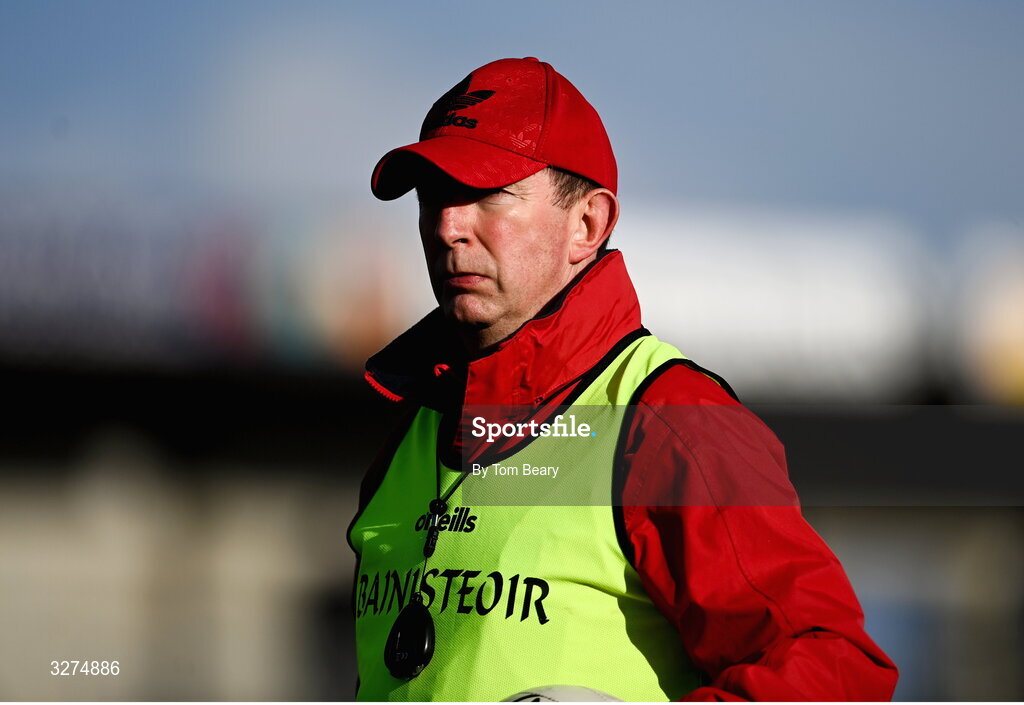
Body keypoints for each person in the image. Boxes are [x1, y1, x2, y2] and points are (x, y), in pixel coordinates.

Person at [347, 57, 897, 702]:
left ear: (587, 224)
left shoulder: (671, 419)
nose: (447, 226)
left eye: (489, 194)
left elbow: (836, 671)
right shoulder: (411, 433)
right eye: (434, 195)